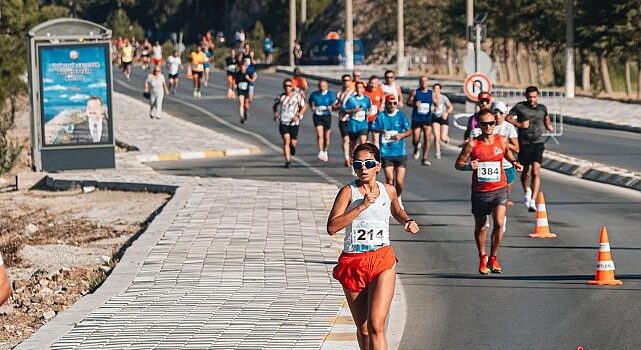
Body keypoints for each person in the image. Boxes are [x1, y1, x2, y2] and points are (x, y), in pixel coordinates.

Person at [327, 143, 419, 350]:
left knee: (377, 325)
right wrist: (361, 206)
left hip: (381, 259)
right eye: (358, 164)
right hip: (353, 262)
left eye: (368, 163)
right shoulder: (348, 192)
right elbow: (332, 227)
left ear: (378, 166)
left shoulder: (388, 190)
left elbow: (397, 211)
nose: (363, 168)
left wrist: (407, 221)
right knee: (364, 329)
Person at [455, 109, 523, 275]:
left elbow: (507, 155)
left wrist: (515, 163)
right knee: (481, 227)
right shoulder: (472, 144)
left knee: (499, 223)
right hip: (480, 192)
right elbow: (458, 164)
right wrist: (468, 167)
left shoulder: (502, 140)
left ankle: (494, 256)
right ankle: (482, 256)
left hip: (499, 189)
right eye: (484, 124)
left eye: (491, 123)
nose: (488, 126)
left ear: (495, 123)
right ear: (479, 124)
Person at [506, 86, 553, 212]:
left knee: (536, 171)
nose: (532, 99)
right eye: (530, 97)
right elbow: (507, 118)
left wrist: (549, 126)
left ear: (538, 96)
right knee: (526, 172)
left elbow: (546, 119)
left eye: (534, 97)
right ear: (526, 96)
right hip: (523, 143)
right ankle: (527, 191)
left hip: (538, 143)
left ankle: (533, 200)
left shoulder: (542, 108)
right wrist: (519, 124)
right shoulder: (519, 107)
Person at [372, 95, 412, 207]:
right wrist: (381, 131)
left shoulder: (401, 116)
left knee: (399, 182)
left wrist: (402, 135)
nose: (392, 105)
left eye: (394, 103)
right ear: (386, 104)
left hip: (400, 152)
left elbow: (410, 131)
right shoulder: (381, 116)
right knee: (390, 180)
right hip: (386, 152)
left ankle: (397, 196)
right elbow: (373, 127)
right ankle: (392, 202)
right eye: (390, 103)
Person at [273, 78, 307, 168]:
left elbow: (304, 107)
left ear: (292, 87)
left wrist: (298, 115)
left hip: (294, 123)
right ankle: (288, 161)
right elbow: (275, 106)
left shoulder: (297, 96)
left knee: (293, 143)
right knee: (286, 140)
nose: (287, 88)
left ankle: (292, 147)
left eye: (289, 86)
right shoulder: (281, 97)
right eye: (285, 86)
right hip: (284, 122)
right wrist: (276, 114)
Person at [492, 101, 519, 208]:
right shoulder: (488, 126)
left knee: (504, 198)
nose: (497, 116)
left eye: (500, 113)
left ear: (505, 114)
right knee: (492, 196)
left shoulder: (509, 127)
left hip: (507, 165)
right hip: (492, 166)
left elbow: (516, 148)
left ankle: (502, 222)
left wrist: (503, 142)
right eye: (495, 113)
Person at [343, 81, 372, 173]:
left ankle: (363, 162)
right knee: (353, 146)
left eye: (361, 88)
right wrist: (354, 110)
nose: (359, 89)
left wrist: (368, 113)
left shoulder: (367, 99)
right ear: (355, 89)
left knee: (363, 143)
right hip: (353, 125)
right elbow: (345, 110)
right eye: (358, 88)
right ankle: (353, 162)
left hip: (363, 124)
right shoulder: (351, 99)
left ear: (363, 89)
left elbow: (369, 108)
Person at [406, 76, 434, 166]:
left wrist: (436, 106)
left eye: (425, 81)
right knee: (416, 139)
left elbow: (436, 102)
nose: (424, 83)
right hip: (417, 118)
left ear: (428, 82)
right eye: (422, 81)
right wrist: (414, 104)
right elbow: (408, 102)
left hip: (427, 119)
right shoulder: (415, 92)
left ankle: (424, 158)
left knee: (428, 138)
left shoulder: (431, 93)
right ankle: (416, 147)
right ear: (420, 82)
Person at [308, 80, 338, 162]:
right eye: (321, 86)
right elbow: (310, 102)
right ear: (318, 86)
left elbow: (336, 105)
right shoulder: (314, 94)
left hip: (327, 116)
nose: (322, 88)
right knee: (319, 133)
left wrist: (332, 107)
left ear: (327, 86)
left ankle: (325, 150)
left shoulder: (330, 95)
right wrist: (313, 107)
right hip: (317, 116)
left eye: (324, 86)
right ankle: (320, 151)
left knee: (327, 136)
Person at [337, 74, 355, 167]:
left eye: (348, 80)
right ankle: (346, 158)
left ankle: (352, 156)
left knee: (353, 142)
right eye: (344, 80)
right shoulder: (339, 94)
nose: (346, 82)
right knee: (345, 139)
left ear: (351, 81)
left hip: (354, 120)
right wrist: (336, 107)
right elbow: (335, 105)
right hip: (343, 119)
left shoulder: (354, 94)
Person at [431, 83, 454, 155]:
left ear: (440, 90)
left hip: (443, 118)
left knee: (443, 137)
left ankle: (446, 139)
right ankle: (437, 152)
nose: (436, 91)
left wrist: (447, 113)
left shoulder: (443, 98)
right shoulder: (430, 98)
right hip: (434, 118)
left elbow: (450, 107)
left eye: (437, 89)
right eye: (434, 89)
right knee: (436, 137)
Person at [364, 75, 385, 140]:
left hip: (376, 118)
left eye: (375, 83)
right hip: (365, 119)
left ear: (378, 84)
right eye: (371, 83)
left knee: (375, 139)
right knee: (365, 140)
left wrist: (382, 105)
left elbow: (383, 98)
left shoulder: (380, 89)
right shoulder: (365, 91)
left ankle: (376, 150)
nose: (373, 85)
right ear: (368, 83)